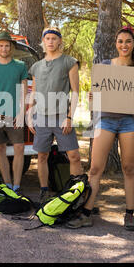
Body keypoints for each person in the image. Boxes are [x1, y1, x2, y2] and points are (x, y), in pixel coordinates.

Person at [65, 25, 134, 231]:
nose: (123, 45)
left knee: (128, 168)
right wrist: (93, 96)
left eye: (128, 41)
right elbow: (97, 95)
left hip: (129, 122)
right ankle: (87, 213)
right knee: (95, 168)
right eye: (120, 41)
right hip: (105, 120)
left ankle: (129, 214)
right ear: (116, 44)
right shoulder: (105, 66)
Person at [27, 26, 84, 203]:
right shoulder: (36, 67)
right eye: (47, 39)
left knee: (73, 155)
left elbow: (75, 91)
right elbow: (34, 93)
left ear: (60, 41)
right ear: (43, 42)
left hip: (61, 117)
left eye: (54, 38)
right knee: (42, 156)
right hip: (41, 117)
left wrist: (69, 117)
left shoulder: (69, 62)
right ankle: (44, 191)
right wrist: (29, 116)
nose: (50, 41)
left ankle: (76, 193)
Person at [0, 31, 28, 194]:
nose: (4, 48)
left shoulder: (20, 66)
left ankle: (17, 185)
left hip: (15, 114)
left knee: (19, 148)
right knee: (0, 149)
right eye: (1, 45)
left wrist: (22, 112)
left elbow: (24, 91)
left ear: (11, 47)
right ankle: (7, 184)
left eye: (7, 45)